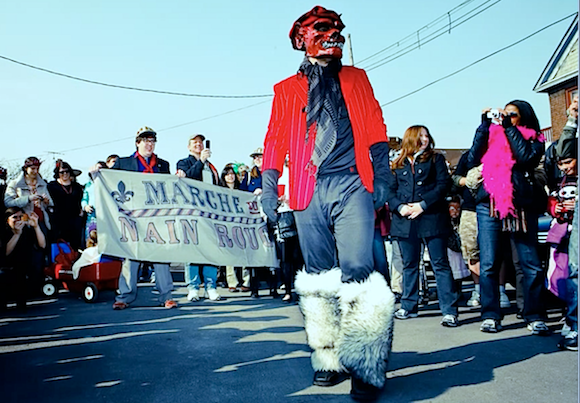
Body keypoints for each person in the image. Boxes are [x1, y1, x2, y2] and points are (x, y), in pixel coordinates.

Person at [260, 7, 394, 401]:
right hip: (307, 189)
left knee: (359, 271)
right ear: (302, 38)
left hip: (353, 183)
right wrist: (270, 188)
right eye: (323, 28)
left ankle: (367, 366)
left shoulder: (357, 78)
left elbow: (375, 124)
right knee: (319, 277)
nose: (335, 34)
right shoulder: (285, 89)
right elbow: (274, 141)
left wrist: (383, 175)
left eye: (338, 28)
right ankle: (329, 359)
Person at [467, 100, 548, 334]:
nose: (506, 118)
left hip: (520, 203)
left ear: (523, 117)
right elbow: (473, 157)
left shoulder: (535, 138)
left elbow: (526, 158)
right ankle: (491, 314)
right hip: (489, 202)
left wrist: (509, 128)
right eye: (504, 114)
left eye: (512, 115)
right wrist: (483, 126)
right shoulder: (491, 135)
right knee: (489, 261)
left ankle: (534, 314)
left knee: (529, 262)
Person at [93, 127, 177, 310]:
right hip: (132, 219)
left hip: (156, 219)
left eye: (152, 141)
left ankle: (166, 296)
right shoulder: (124, 162)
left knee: (161, 256)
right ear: (137, 143)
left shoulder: (163, 165)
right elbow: (107, 181)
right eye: (145, 141)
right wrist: (97, 172)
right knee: (131, 257)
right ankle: (124, 296)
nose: (149, 144)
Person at [387, 125, 461, 327]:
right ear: (411, 138)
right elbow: (389, 190)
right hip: (405, 221)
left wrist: (423, 205)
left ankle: (449, 310)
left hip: (432, 218)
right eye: (420, 136)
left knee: (440, 264)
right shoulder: (398, 163)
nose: (425, 139)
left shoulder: (436, 159)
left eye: (427, 135)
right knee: (409, 264)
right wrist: (400, 207)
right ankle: (408, 305)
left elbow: (443, 184)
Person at [547, 97, 578, 351]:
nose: (566, 166)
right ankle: (574, 325)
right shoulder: (564, 179)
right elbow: (565, 149)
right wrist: (572, 120)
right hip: (568, 230)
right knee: (573, 272)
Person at [176, 134, 222, 301]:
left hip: (210, 214)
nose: (198, 145)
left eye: (201, 143)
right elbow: (188, 179)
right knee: (193, 250)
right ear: (189, 147)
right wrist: (200, 161)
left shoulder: (212, 167)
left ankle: (211, 286)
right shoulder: (183, 163)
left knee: (210, 249)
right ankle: (193, 287)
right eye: (194, 143)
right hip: (192, 214)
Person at [1, 207, 46, 310]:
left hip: (24, 266)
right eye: (14, 217)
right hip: (7, 266)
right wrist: (16, 234)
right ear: (7, 220)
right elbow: (5, 252)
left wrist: (36, 226)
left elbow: (42, 244)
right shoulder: (4, 232)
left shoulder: (26, 230)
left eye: (20, 217)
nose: (18, 220)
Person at [218, 164, 250, 293]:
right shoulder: (219, 191)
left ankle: (246, 281)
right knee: (229, 255)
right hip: (226, 225)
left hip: (241, 224)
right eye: (227, 174)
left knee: (244, 253)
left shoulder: (242, 190)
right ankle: (232, 282)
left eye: (232, 174)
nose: (230, 176)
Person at [4, 157, 53, 236]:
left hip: (41, 221)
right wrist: (28, 199)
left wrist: (46, 201)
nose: (35, 171)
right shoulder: (15, 184)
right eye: (33, 168)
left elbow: (50, 204)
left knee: (44, 245)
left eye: (37, 169)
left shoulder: (42, 184)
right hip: (23, 223)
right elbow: (8, 202)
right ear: (26, 168)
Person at [47, 160, 84, 251]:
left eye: (67, 171)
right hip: (58, 220)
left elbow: (81, 200)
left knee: (75, 246)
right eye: (62, 172)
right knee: (59, 245)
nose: (65, 174)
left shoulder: (77, 186)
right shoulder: (52, 186)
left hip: (74, 219)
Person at [81, 161, 106, 248]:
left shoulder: (107, 184)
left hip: (105, 217)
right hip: (92, 216)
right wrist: (85, 206)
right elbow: (84, 199)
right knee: (90, 239)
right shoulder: (88, 185)